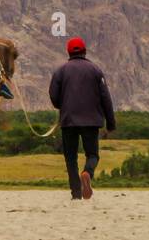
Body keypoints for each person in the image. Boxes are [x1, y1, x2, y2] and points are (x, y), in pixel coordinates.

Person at [48, 36, 115, 201]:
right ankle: (87, 173)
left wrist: (61, 106)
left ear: (68, 52)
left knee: (70, 158)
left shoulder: (61, 71)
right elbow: (106, 98)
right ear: (85, 51)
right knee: (92, 155)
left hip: (68, 121)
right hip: (91, 122)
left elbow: (53, 95)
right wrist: (111, 123)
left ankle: (76, 194)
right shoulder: (95, 70)